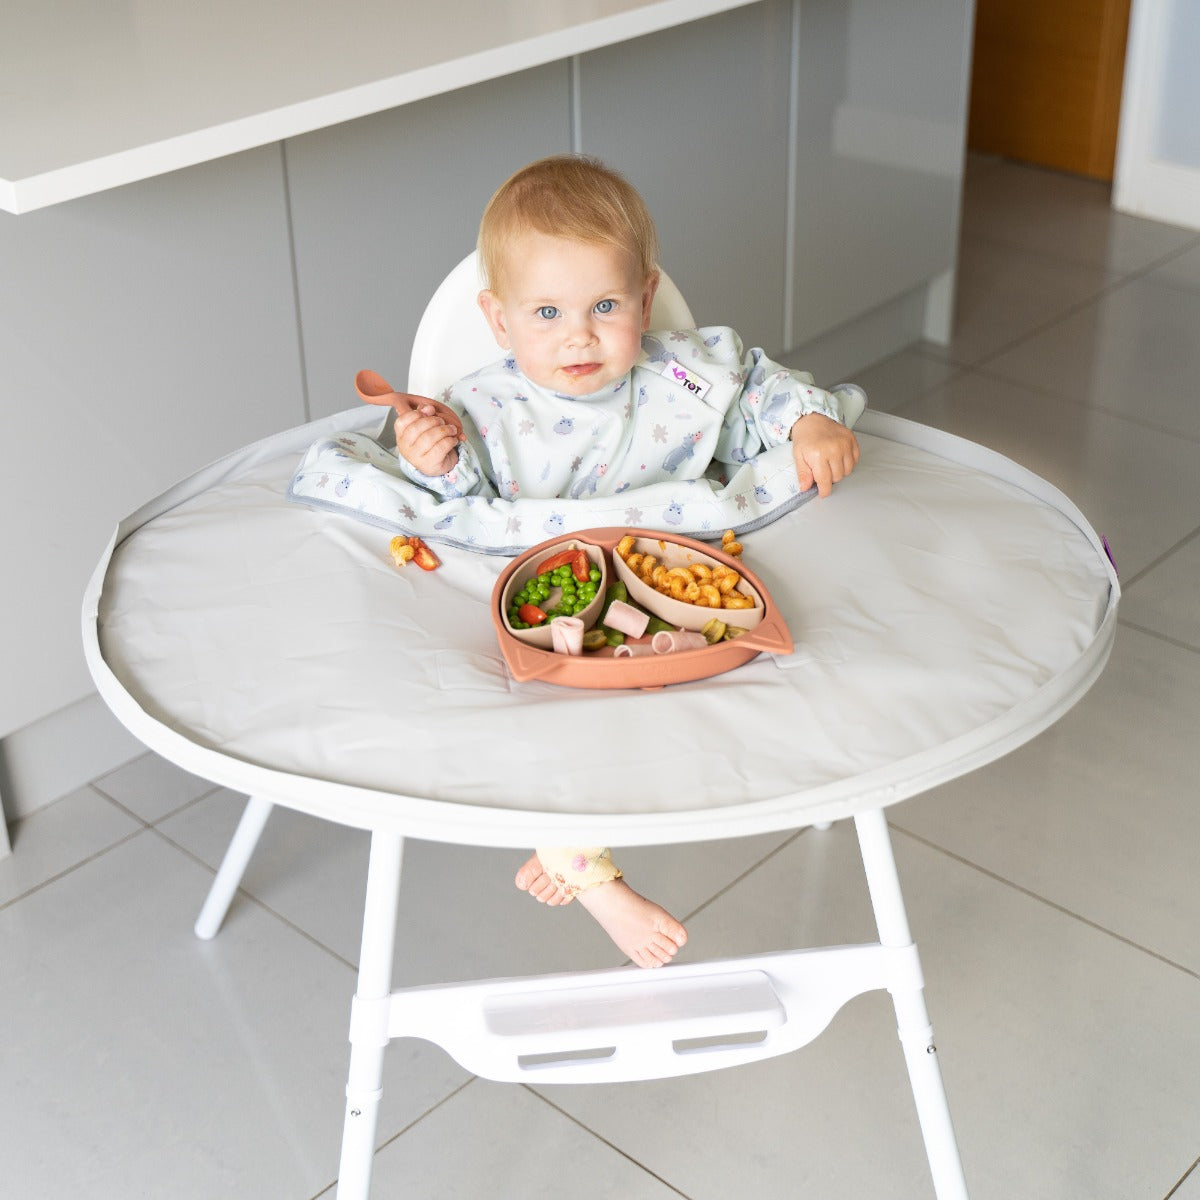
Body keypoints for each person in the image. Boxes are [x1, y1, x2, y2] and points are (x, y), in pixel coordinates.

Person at [390, 154, 860, 967]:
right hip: (549, 599)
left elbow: (752, 389)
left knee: (752, 687)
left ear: (645, 300)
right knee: (529, 724)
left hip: (664, 592)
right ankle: (592, 873)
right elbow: (457, 495)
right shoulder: (484, 406)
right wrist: (430, 454)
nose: (579, 334)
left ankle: (567, 843)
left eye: (605, 305)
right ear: (499, 322)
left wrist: (805, 424)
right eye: (546, 313)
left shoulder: (680, 374)